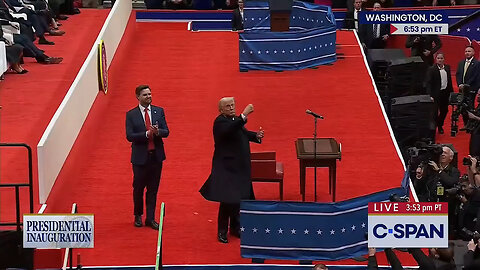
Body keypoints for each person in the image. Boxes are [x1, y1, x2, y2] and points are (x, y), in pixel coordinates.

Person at [200, 97, 264, 243]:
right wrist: (244, 115)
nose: (231, 108)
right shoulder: (220, 122)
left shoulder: (234, 120)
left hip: (239, 168)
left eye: (233, 105)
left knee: (238, 199)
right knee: (227, 201)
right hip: (226, 169)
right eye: (228, 106)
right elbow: (230, 130)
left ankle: (235, 228)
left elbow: (242, 133)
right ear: (221, 110)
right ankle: (222, 231)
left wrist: (255, 136)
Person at [126, 85, 169, 230]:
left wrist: (157, 133)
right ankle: (138, 215)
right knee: (138, 188)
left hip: (156, 157)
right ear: (137, 97)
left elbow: (166, 131)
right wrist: (146, 134)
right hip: (140, 159)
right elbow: (129, 136)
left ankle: (150, 218)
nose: (149, 97)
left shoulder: (159, 111)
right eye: (145, 95)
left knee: (153, 189)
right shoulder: (131, 115)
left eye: (150, 94)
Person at [425, 53, 453, 134]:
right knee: (434, 113)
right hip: (435, 94)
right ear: (435, 59)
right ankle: (433, 130)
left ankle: (440, 124)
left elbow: (449, 81)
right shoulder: (432, 69)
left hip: (445, 93)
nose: (440, 60)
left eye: (441, 58)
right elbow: (428, 83)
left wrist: (451, 93)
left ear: (444, 59)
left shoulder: (447, 68)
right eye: (438, 58)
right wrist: (430, 95)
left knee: (444, 111)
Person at [456, 46, 480, 125]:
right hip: (461, 89)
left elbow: (475, 76)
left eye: (469, 51)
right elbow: (458, 74)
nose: (467, 53)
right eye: (466, 51)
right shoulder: (461, 63)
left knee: (470, 106)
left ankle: (471, 124)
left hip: (471, 88)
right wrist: (459, 84)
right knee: (462, 107)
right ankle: (466, 123)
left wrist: (466, 85)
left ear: (473, 53)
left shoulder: (477, 63)